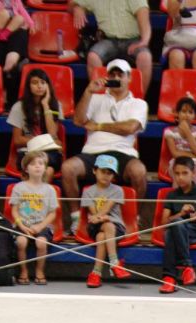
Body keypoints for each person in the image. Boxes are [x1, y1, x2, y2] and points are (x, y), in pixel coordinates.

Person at [62, 58, 149, 234]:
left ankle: (134, 218)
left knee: (139, 171)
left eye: (120, 74)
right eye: (113, 74)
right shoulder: (95, 98)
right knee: (67, 167)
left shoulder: (139, 103)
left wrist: (99, 126)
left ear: (129, 78)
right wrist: (88, 91)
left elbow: (130, 127)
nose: (116, 77)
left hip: (123, 152)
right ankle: (76, 217)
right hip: (93, 152)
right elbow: (78, 121)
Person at [158, 156, 196, 294]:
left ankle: (169, 278)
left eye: (185, 173)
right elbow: (163, 222)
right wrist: (181, 213)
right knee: (173, 228)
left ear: (193, 173)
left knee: (171, 233)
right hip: (179, 230)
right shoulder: (171, 195)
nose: (180, 177)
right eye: (177, 173)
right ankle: (187, 267)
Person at [73, 0, 154, 95]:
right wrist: (77, 8)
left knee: (145, 57)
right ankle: (100, 98)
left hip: (132, 39)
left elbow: (143, 14)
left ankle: (138, 101)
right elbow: (72, 3)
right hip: (108, 40)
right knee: (93, 56)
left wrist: (144, 40)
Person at [81, 154, 132, 288]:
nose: (106, 175)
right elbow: (94, 213)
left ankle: (96, 273)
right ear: (94, 170)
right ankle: (115, 263)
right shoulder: (88, 192)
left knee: (102, 236)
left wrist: (103, 217)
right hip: (95, 224)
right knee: (104, 227)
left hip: (116, 227)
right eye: (103, 171)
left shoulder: (117, 190)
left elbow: (107, 208)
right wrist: (100, 218)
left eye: (110, 173)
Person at [7, 68, 64, 182]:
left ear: (48, 86)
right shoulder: (19, 106)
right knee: (33, 168)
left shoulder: (55, 105)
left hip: (49, 152)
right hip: (27, 151)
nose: (39, 86)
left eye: (43, 83)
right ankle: (30, 198)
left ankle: (40, 199)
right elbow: (18, 140)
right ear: (28, 86)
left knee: (49, 170)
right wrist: (42, 141)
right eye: (35, 82)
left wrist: (45, 105)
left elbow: (53, 134)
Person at [11, 151, 58, 284]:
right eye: (32, 164)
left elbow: (52, 213)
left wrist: (39, 226)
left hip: (41, 225)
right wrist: (22, 226)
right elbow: (14, 211)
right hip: (22, 224)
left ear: (45, 168)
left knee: (41, 243)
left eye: (40, 163)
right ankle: (24, 270)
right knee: (21, 242)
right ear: (26, 168)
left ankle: (39, 270)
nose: (37, 166)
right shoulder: (19, 188)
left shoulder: (50, 190)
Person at [162, 96, 196, 184]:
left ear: (195, 116)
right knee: (180, 178)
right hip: (178, 162)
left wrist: (187, 132)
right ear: (177, 113)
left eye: (190, 112)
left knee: (195, 184)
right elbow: (175, 154)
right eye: (184, 111)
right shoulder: (169, 132)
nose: (187, 115)